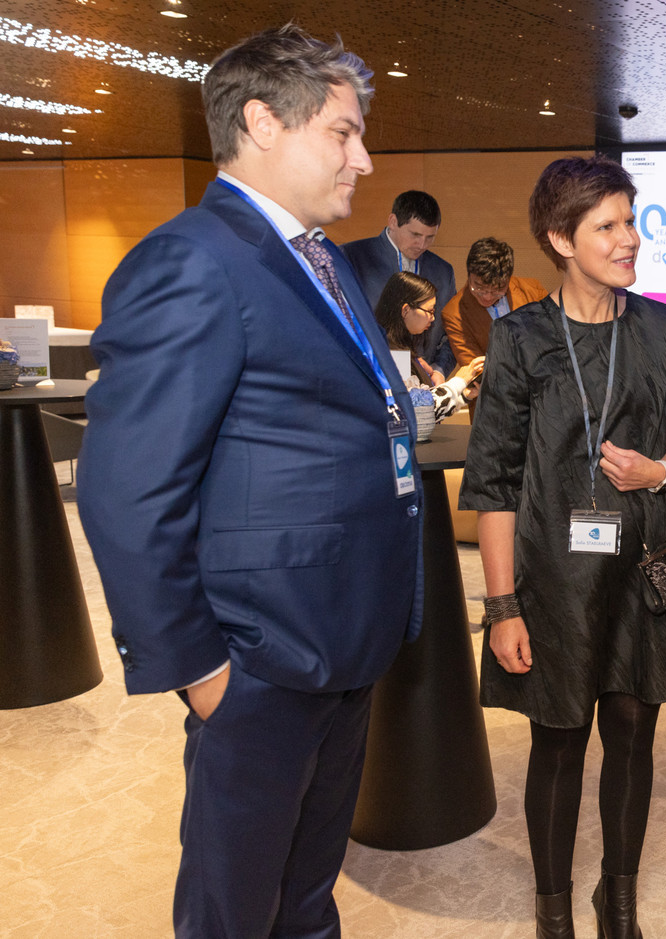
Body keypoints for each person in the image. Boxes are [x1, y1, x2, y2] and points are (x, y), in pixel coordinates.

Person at [76, 25, 422, 938]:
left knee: (305, 898)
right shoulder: (192, 257)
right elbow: (128, 493)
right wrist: (201, 668)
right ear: (263, 122)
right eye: (343, 134)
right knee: (234, 912)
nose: (364, 158)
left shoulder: (324, 261)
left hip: (343, 644)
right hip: (259, 660)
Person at [459, 155, 666, 939]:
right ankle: (553, 911)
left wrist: (659, 469)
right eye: (608, 225)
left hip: (640, 572)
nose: (630, 238)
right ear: (560, 237)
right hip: (553, 579)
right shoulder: (520, 338)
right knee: (560, 740)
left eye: (631, 220)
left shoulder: (660, 326)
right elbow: (494, 481)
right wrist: (502, 605)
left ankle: (620, 897)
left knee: (634, 733)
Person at [342, 189, 457, 380]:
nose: (422, 244)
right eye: (415, 234)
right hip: (368, 380)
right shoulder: (353, 257)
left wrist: (439, 369)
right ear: (393, 222)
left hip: (422, 385)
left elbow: (450, 332)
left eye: (430, 237)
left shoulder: (443, 271)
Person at [371, 270, 474, 419]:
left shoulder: (395, 345)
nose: (432, 319)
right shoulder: (393, 352)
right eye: (429, 311)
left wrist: (463, 396)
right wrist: (459, 382)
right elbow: (415, 411)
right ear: (406, 310)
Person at [441, 236, 549, 367]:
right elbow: (475, 368)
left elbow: (552, 340)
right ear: (469, 275)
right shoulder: (454, 314)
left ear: (509, 279)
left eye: (497, 290)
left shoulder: (533, 291)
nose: (487, 297)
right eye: (479, 288)